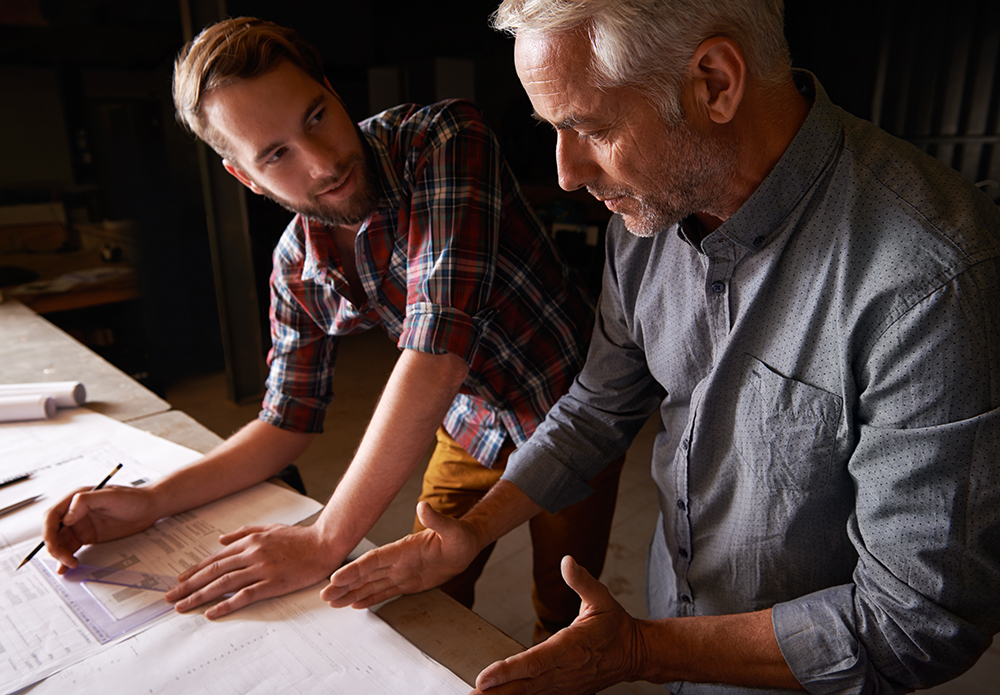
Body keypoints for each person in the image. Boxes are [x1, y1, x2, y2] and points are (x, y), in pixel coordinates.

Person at [324, 1, 1000, 693]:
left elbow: (919, 618)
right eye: (553, 130)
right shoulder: (648, 210)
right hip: (672, 624)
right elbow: (596, 407)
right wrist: (475, 528)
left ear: (713, 82)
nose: (565, 172)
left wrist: (642, 652)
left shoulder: (930, 276)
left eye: (588, 126)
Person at [41, 16, 625, 642]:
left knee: (563, 606)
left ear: (332, 90)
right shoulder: (297, 264)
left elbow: (438, 348)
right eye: (275, 154)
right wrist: (154, 501)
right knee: (424, 588)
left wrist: (326, 538)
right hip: (469, 423)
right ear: (245, 177)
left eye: (315, 116)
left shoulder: (444, 139)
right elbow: (284, 419)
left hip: (571, 407)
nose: (322, 164)